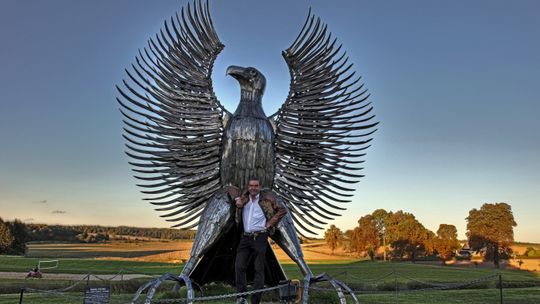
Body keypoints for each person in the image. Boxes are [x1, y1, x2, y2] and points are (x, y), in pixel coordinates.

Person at [233, 178, 287, 304]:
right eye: (251, 185)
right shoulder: (244, 198)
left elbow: (282, 210)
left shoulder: (266, 199)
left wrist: (270, 223)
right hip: (245, 237)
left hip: (260, 237)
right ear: (248, 186)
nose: (253, 188)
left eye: (256, 186)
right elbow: (231, 189)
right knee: (239, 266)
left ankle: (255, 301)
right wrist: (237, 200)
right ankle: (242, 297)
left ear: (260, 187)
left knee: (259, 269)